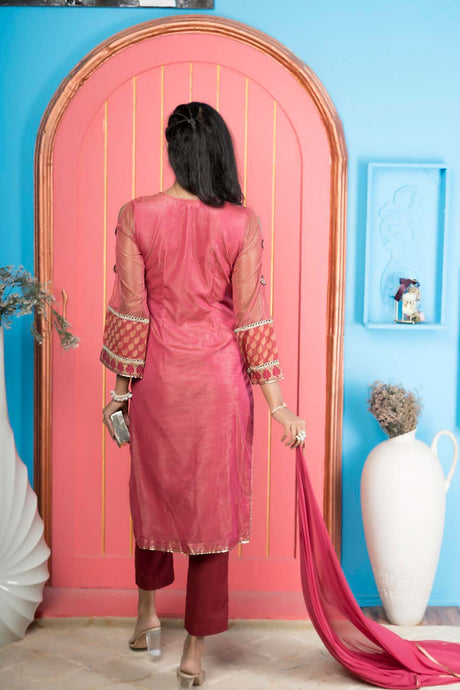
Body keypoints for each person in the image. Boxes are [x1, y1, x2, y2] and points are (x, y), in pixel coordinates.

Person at [100, 101, 307, 688]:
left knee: (152, 497)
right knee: (212, 512)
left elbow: (131, 311)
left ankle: (146, 616)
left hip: (157, 383)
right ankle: (193, 654)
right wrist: (279, 406)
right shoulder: (242, 222)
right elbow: (251, 317)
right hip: (220, 387)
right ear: (219, 151)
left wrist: (119, 393)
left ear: (171, 149)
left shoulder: (136, 215)